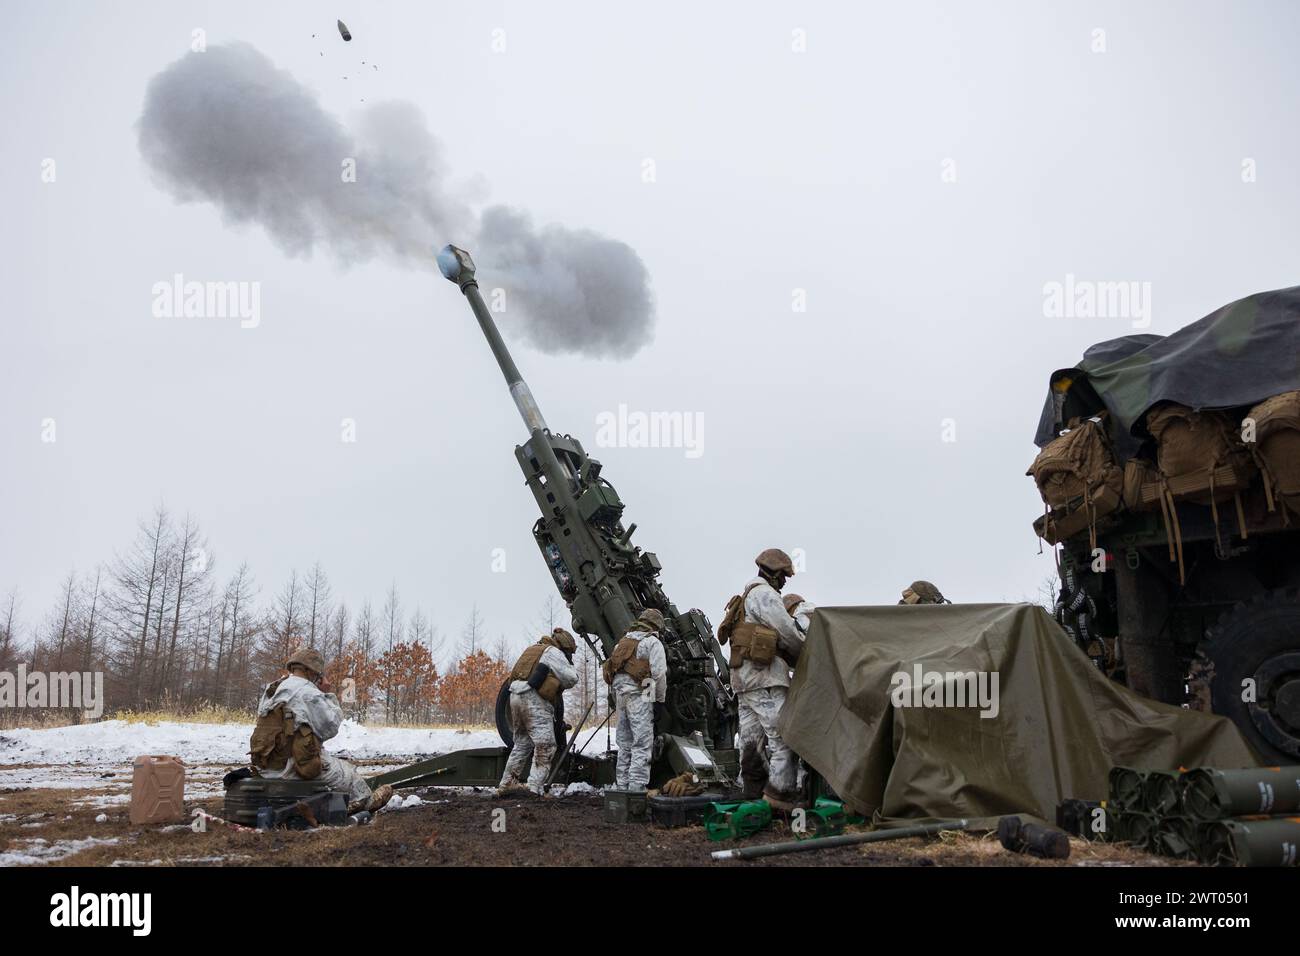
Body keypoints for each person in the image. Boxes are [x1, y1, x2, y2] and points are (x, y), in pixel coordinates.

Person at [249, 647, 392, 813]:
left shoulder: (272, 689)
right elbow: (330, 726)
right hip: (293, 767)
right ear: (312, 671)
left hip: (266, 768)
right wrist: (326, 694)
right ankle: (364, 802)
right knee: (348, 773)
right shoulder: (308, 692)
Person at [724, 548, 806, 810]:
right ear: (774, 574)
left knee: (751, 741)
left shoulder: (745, 596)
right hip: (764, 678)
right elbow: (787, 633)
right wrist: (807, 652)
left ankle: (752, 793)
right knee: (785, 737)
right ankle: (780, 796)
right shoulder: (765, 595)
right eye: (783, 577)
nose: (784, 583)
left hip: (743, 680)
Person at [498, 627, 578, 795]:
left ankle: (506, 785)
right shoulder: (553, 652)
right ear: (563, 646)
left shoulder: (532, 649)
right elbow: (571, 678)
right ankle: (534, 788)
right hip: (533, 699)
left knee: (522, 744)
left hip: (514, 696)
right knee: (546, 745)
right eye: (569, 652)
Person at [604, 608, 669, 792]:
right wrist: (659, 701)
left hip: (621, 696)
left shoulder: (622, 643)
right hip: (640, 695)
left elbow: (612, 673)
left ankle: (622, 786)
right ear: (656, 626)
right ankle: (636, 789)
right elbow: (659, 674)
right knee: (642, 743)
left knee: (624, 744)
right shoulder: (652, 642)